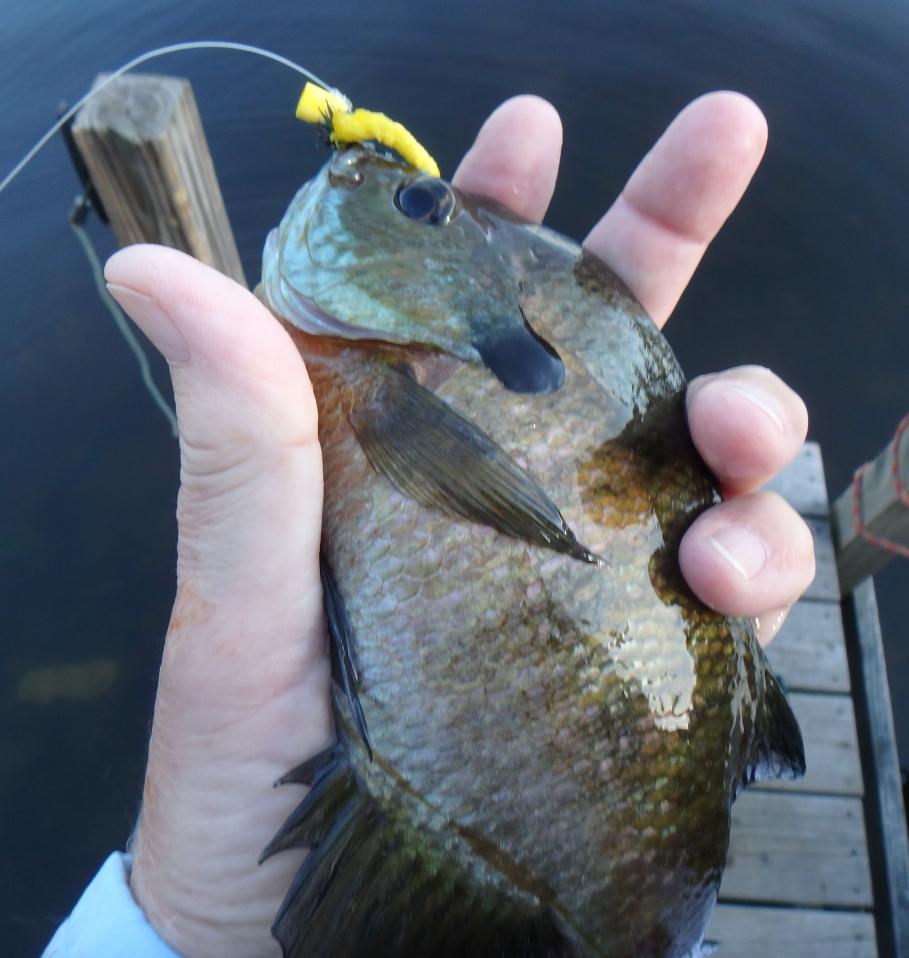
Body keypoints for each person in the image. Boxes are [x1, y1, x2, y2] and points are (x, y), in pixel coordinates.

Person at [44, 92, 814, 958]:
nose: (360, 178)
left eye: (415, 203)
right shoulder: (358, 384)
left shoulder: (371, 389)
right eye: (420, 202)